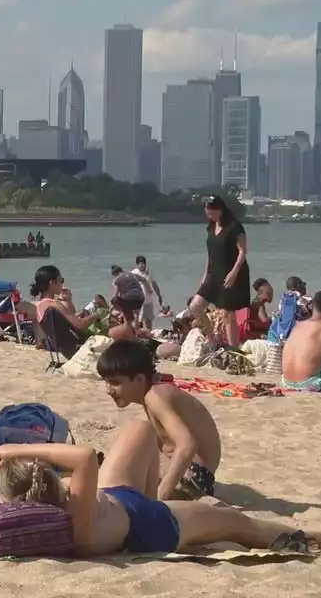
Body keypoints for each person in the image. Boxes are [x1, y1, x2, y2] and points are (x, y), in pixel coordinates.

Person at [0, 419, 321, 557]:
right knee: (234, 522)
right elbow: (85, 455)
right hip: (152, 524)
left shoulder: (61, 509)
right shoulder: (76, 519)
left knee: (140, 430)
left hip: (120, 500)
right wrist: (17, 450)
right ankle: (312, 535)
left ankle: (157, 492)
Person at [96, 339, 222, 500]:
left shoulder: (154, 396)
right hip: (199, 476)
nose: (108, 390)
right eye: (106, 382)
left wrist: (161, 495)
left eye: (115, 383)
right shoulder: (154, 393)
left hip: (193, 477)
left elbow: (187, 444)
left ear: (140, 379)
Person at [189, 195, 250, 347]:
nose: (208, 213)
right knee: (195, 306)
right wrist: (205, 275)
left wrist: (234, 273)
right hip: (213, 274)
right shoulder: (210, 227)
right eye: (206, 210)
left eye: (211, 210)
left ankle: (233, 348)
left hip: (231, 274)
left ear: (220, 210)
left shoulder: (234, 226)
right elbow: (210, 254)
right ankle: (212, 337)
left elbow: (242, 251)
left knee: (228, 314)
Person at [31, 265, 98, 332]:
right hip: (69, 342)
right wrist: (96, 315)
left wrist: (67, 300)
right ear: (52, 283)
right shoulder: (55, 305)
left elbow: (66, 320)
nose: (62, 284)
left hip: (54, 341)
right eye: (61, 280)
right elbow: (78, 325)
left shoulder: (39, 305)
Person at [132, 256, 163, 329]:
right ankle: (137, 336)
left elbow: (154, 284)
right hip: (138, 301)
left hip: (148, 300)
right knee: (139, 320)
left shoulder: (149, 272)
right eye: (140, 264)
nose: (142, 265)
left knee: (149, 319)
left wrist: (159, 295)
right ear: (137, 264)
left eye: (144, 263)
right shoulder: (134, 273)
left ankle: (149, 336)